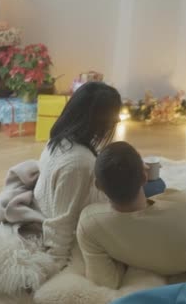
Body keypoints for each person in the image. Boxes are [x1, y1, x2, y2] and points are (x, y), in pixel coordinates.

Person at [77, 140, 186, 289]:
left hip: (177, 225)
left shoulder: (89, 223)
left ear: (98, 185)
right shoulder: (182, 204)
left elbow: (105, 281)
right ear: (144, 177)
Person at [33, 82, 122, 269]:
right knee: (154, 190)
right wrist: (55, 263)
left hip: (79, 206)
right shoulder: (79, 163)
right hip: (86, 227)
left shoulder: (59, 140)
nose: (118, 121)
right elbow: (62, 222)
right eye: (115, 117)